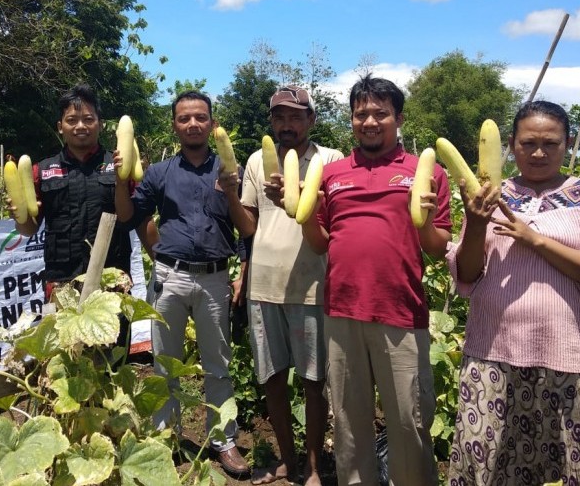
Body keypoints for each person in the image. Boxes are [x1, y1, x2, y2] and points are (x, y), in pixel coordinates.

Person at [445, 101, 580, 485]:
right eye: (528, 143)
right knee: (490, 464)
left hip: (564, 354)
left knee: (574, 461)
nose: (539, 152)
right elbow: (466, 275)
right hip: (491, 354)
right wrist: (476, 225)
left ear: (568, 144)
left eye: (551, 143)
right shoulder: (489, 194)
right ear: (511, 145)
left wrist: (537, 242)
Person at [301, 74, 451, 486]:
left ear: (398, 118)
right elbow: (318, 244)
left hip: (400, 312)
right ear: (350, 119)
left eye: (380, 113)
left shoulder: (425, 172)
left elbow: (438, 248)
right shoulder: (331, 174)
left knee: (409, 420)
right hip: (341, 310)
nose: (369, 121)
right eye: (360, 113)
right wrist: (300, 211)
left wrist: (420, 217)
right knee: (349, 421)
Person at [115, 90, 252, 477]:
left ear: (211, 122)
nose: (192, 124)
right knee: (163, 365)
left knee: (218, 366)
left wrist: (232, 193)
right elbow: (129, 217)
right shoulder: (159, 173)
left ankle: (224, 442)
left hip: (214, 278)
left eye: (200, 117)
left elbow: (246, 230)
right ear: (174, 125)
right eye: (184, 118)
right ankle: (166, 439)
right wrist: (119, 179)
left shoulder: (228, 170)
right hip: (169, 277)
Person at [231, 85, 344, 486]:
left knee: (314, 382)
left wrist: (294, 201)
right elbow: (249, 227)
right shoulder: (257, 162)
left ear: (311, 120)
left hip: (312, 286)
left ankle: (314, 467)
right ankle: (287, 462)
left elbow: (335, 221)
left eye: (296, 116)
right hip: (264, 285)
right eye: (279, 117)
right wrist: (231, 195)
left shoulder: (330, 161)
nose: (287, 125)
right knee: (273, 378)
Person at [11, 84, 151, 302]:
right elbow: (29, 229)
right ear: (60, 126)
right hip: (62, 285)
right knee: (65, 336)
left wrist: (121, 182)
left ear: (101, 125)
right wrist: (18, 215)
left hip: (112, 281)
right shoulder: (43, 171)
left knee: (114, 335)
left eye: (88, 119)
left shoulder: (119, 165)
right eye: (72, 120)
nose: (80, 126)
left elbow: (127, 218)